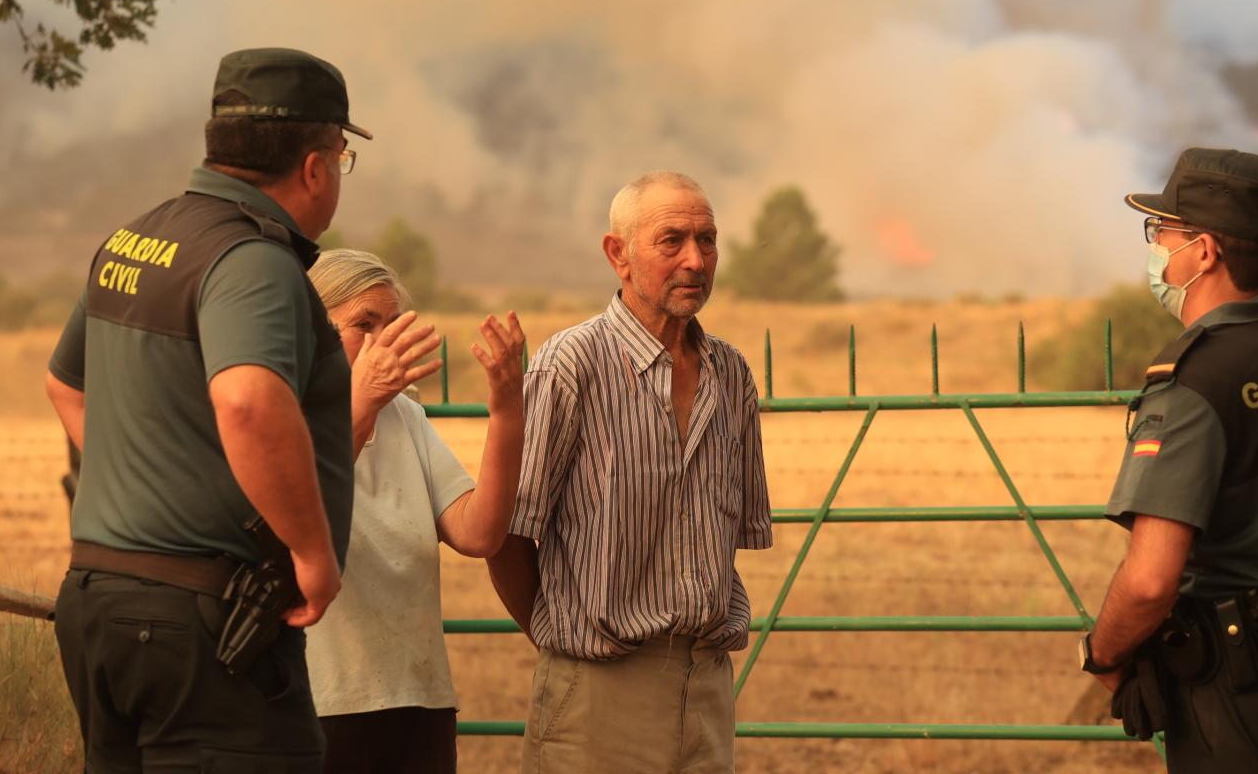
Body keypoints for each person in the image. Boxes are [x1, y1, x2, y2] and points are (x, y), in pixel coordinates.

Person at [45, 47, 371, 772]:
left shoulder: (137, 237)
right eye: (342, 158)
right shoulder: (254, 261)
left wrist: (146, 483)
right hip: (205, 629)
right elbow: (250, 401)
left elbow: (66, 384)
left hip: (100, 602)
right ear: (315, 167)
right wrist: (314, 554)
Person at [1080, 148, 1258, 772]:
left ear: (1205, 252)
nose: (1156, 246)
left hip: (1247, 692)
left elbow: (1152, 578)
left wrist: (1103, 656)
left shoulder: (1193, 382)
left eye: (1163, 232)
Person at [487, 170, 773, 774]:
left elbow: (724, 537)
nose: (696, 260)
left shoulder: (731, 373)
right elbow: (507, 535)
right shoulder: (573, 364)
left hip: (707, 688)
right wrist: (564, 645)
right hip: (598, 694)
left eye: (708, 240)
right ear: (618, 254)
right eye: (671, 241)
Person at [303, 249, 527, 774]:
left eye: (392, 323)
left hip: (417, 702)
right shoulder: (285, 411)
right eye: (364, 324)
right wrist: (361, 403)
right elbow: (305, 515)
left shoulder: (405, 414)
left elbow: (479, 533)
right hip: (319, 706)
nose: (385, 341)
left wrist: (507, 411)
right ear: (313, 328)